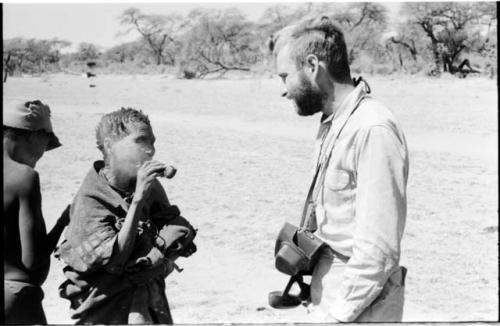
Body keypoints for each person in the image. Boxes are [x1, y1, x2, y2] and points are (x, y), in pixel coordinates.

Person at [271, 16, 410, 322]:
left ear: (311, 66)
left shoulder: (371, 128)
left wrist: (339, 314)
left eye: (284, 76)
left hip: (359, 304)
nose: (283, 90)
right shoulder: (333, 122)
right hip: (333, 288)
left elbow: (378, 249)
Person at [55, 107, 196, 324]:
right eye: (141, 141)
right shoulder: (91, 198)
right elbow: (115, 261)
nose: (150, 150)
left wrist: (155, 259)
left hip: (148, 304)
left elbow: (178, 230)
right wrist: (138, 200)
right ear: (110, 146)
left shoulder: (151, 186)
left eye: (152, 142)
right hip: (106, 311)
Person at [3, 100, 68, 324]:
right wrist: (63, 222)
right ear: (32, 136)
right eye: (44, 145)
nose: (41, 155)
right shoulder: (24, 177)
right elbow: (32, 260)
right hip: (16, 298)